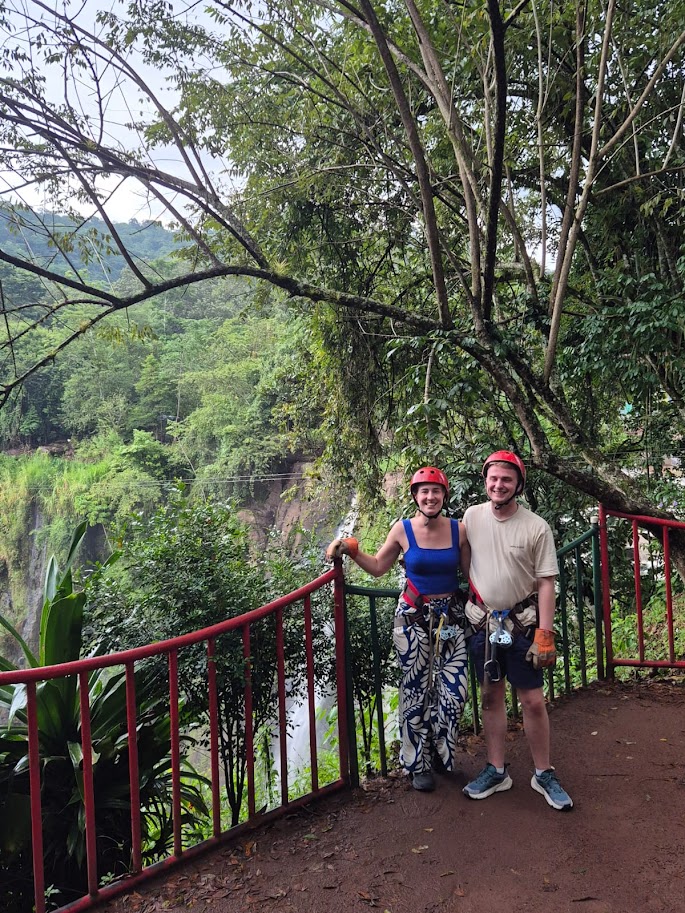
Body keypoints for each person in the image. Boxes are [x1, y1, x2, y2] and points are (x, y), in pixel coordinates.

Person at [326, 467, 470, 792]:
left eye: (436, 491)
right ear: (416, 497)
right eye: (424, 492)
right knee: (415, 692)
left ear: (445, 496)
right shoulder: (402, 529)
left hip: (451, 617)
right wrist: (352, 550)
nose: (430, 497)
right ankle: (417, 763)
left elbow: (472, 573)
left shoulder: (458, 531)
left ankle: (439, 751)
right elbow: (379, 568)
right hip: (412, 617)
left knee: (454, 691)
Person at [461, 450, 573, 811]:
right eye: (493, 479)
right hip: (483, 622)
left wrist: (545, 632)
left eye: (506, 479)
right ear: (485, 482)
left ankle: (543, 772)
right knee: (490, 697)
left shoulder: (535, 526)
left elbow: (545, 583)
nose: (498, 485)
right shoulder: (472, 517)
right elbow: (461, 556)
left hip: (522, 626)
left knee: (532, 700)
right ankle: (497, 770)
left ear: (518, 485)